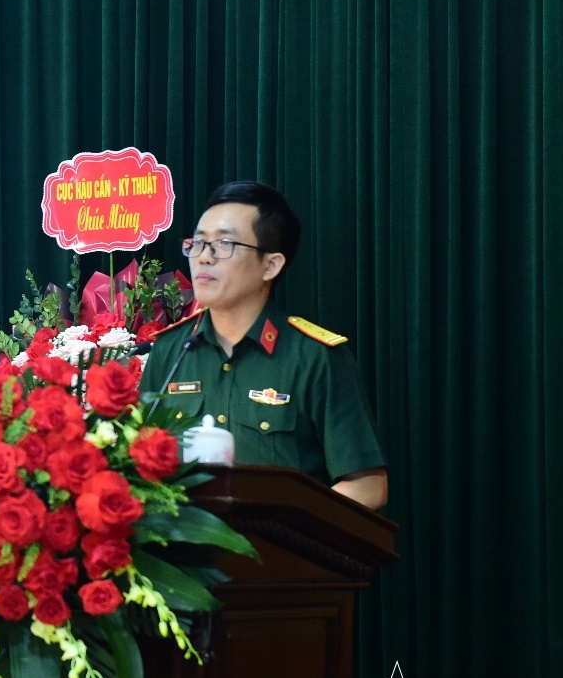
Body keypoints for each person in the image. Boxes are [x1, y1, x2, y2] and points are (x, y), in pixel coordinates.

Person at [141, 181, 388, 509]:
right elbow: (138, 464)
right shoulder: (170, 351)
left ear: (270, 265)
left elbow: (368, 487)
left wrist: (285, 522)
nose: (204, 258)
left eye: (224, 243)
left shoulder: (315, 358)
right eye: (197, 243)